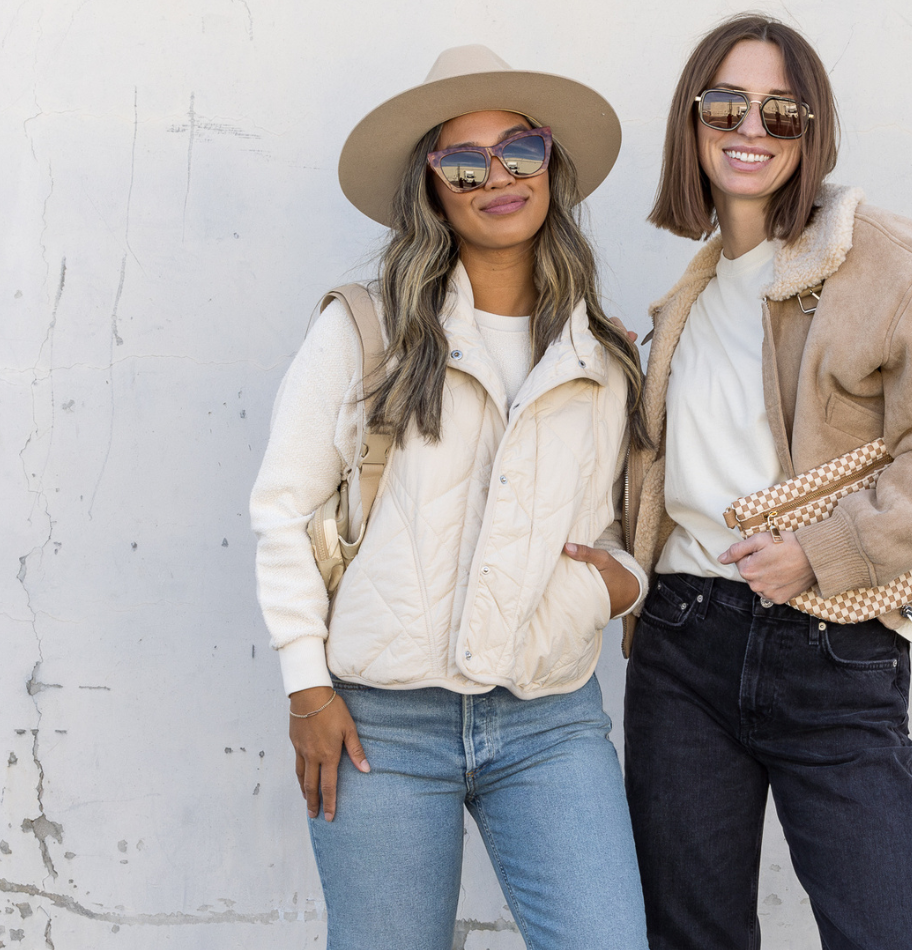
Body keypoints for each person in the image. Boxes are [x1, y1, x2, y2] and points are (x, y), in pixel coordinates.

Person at [623, 15, 912, 950]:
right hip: (682, 645)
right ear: (692, 122)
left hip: (833, 650)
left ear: (813, 130)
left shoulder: (904, 271)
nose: (751, 128)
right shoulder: (685, 300)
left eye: (782, 112)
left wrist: (821, 552)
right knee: (693, 936)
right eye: (726, 105)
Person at [250, 44, 650, 950]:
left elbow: (625, 522)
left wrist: (618, 584)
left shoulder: (602, 354)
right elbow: (282, 510)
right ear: (431, 187)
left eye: (521, 150)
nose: (498, 177)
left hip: (549, 718)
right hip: (381, 727)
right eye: (465, 163)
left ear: (551, 165)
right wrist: (306, 688)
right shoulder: (365, 330)